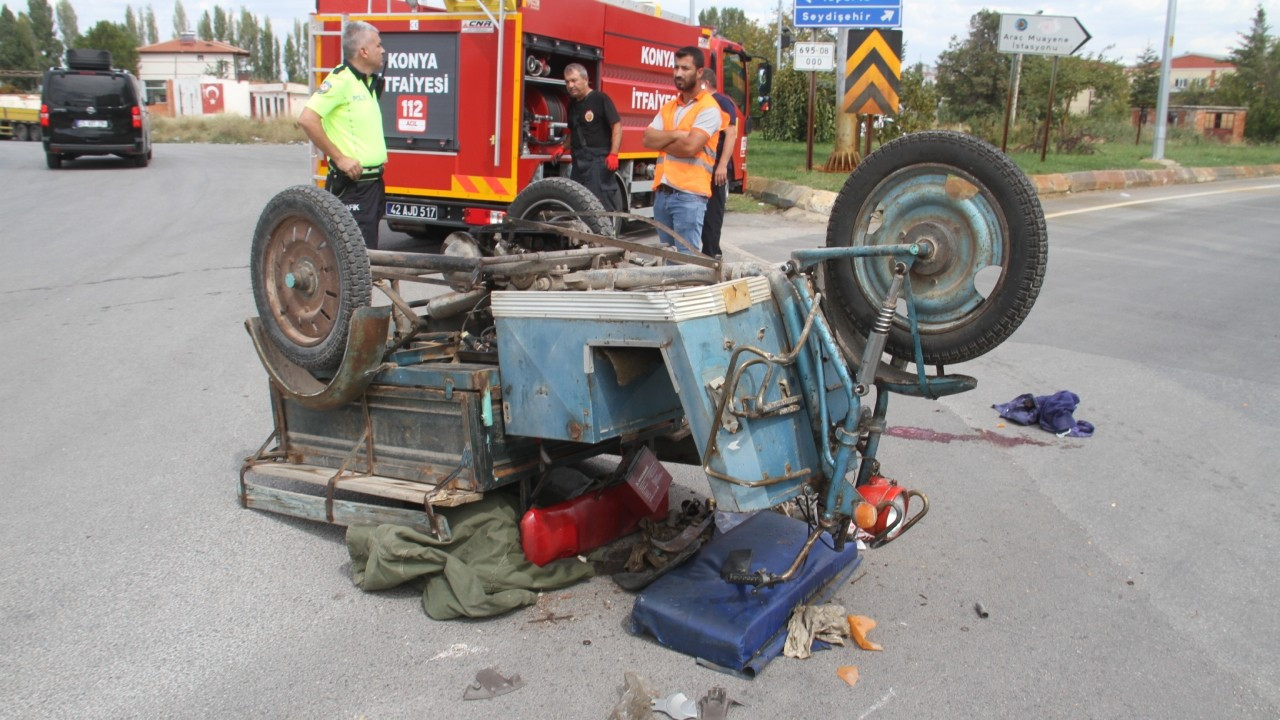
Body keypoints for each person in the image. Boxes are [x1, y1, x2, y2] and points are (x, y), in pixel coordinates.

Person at [297, 21, 387, 249]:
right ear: (363, 51)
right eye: (378, 45)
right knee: (353, 260)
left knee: (368, 257)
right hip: (352, 187)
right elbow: (307, 119)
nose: (383, 50)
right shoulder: (341, 80)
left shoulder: (367, 83)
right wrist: (339, 158)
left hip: (373, 185)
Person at [642, 46, 722, 254]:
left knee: (687, 262)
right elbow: (647, 139)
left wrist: (664, 140)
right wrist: (677, 134)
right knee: (668, 258)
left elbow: (690, 147)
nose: (678, 73)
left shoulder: (708, 108)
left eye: (685, 68)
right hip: (663, 193)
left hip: (689, 196)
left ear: (699, 72)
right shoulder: (670, 107)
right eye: (675, 67)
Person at [560, 63, 622, 225]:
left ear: (586, 79)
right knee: (578, 203)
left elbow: (616, 126)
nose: (570, 85)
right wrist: (562, 147)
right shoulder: (572, 105)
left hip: (598, 162)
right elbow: (573, 132)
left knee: (600, 205)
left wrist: (613, 153)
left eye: (574, 80)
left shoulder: (600, 99)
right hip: (579, 162)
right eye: (567, 82)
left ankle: (607, 240)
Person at [698, 69, 738, 258]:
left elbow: (731, 134)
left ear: (705, 83)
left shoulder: (722, 103)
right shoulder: (700, 103)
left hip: (716, 170)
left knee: (712, 218)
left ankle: (712, 256)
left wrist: (722, 165)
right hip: (702, 169)